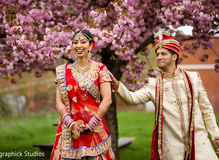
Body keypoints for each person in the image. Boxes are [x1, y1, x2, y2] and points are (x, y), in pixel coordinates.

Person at [110, 30, 219, 160]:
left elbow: (206, 108)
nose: (159, 57)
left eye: (163, 54)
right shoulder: (154, 85)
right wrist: (116, 85)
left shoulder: (193, 78)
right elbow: (131, 99)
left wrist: (216, 135)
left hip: (199, 142)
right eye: (157, 54)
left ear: (174, 56)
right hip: (172, 148)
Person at [50, 29, 115, 160]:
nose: (78, 45)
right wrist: (70, 123)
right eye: (75, 42)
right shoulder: (63, 71)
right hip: (69, 128)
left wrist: (91, 124)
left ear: (91, 46)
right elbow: (59, 102)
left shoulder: (100, 69)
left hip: (94, 126)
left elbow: (107, 99)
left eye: (83, 42)